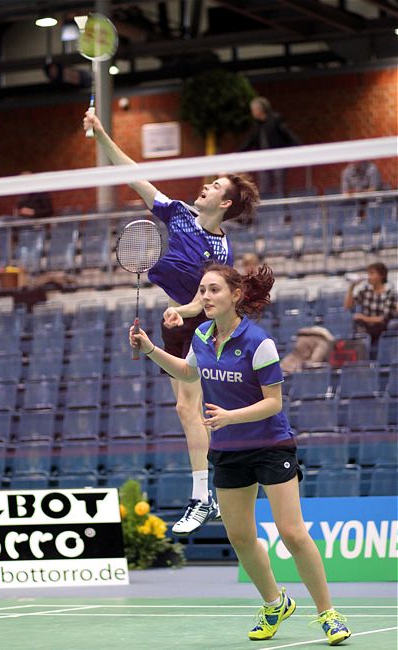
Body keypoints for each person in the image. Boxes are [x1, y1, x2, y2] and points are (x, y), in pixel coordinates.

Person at [129, 263, 351, 646]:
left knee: (292, 532)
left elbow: (273, 403)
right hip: (229, 451)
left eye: (213, 290)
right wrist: (150, 349)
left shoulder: (258, 342)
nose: (205, 297)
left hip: (270, 445)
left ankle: (328, 613)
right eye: (201, 291)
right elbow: (186, 374)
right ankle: (274, 602)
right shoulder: (200, 334)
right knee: (241, 537)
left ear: (236, 295)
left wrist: (231, 416)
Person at [83, 109, 259, 536]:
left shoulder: (220, 251)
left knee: (188, 406)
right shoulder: (177, 212)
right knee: (185, 411)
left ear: (226, 203)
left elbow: (210, 299)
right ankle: (207, 493)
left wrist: (187, 312)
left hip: (204, 323)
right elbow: (134, 175)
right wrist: (102, 135)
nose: (205, 187)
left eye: (215, 186)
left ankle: (203, 495)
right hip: (174, 320)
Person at [239, 97, 300, 198]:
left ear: (260, 110)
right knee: (264, 187)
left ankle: (283, 211)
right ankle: (267, 211)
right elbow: (249, 141)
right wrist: (238, 153)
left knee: (280, 185)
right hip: (263, 160)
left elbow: (288, 134)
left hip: (278, 158)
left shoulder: (275, 120)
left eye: (253, 110)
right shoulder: (257, 126)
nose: (252, 113)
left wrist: (298, 146)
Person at [344, 262, 397, 353]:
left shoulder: (390, 294)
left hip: (382, 328)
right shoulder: (365, 291)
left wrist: (363, 317)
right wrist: (351, 287)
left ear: (381, 276)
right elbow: (348, 306)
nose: (369, 276)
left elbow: (382, 319)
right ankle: (361, 356)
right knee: (356, 323)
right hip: (366, 327)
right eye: (368, 273)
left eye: (372, 273)